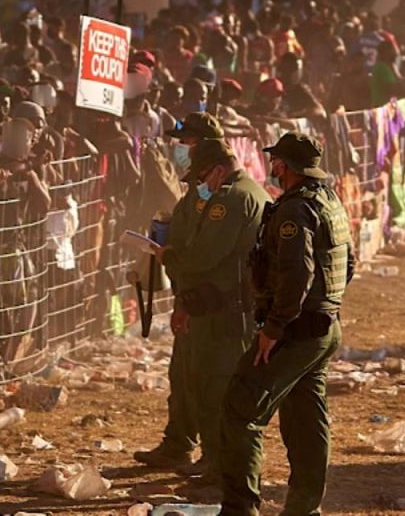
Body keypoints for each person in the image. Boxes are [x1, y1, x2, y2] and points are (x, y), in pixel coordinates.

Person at [218, 132, 354, 516]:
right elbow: (348, 265)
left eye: (277, 162)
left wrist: (274, 329)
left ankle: (239, 508)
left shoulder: (295, 210)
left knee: (241, 410)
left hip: (294, 331)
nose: (273, 168)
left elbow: (298, 274)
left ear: (286, 167)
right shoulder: (330, 202)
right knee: (306, 417)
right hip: (323, 326)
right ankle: (303, 508)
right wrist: (324, 306)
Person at [154, 139, 270, 498]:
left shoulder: (231, 200)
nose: (202, 184)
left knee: (214, 390)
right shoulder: (254, 192)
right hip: (230, 308)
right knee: (215, 389)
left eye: (203, 175)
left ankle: (223, 469)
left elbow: (204, 257)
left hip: (225, 315)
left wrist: (169, 256)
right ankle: (217, 464)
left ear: (218, 169)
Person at [134, 112, 227, 472]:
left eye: (187, 143)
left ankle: (212, 456)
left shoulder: (218, 190)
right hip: (188, 290)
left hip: (208, 298)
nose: (181, 150)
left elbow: (205, 248)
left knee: (203, 380)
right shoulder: (195, 188)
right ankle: (178, 443)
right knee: (181, 374)